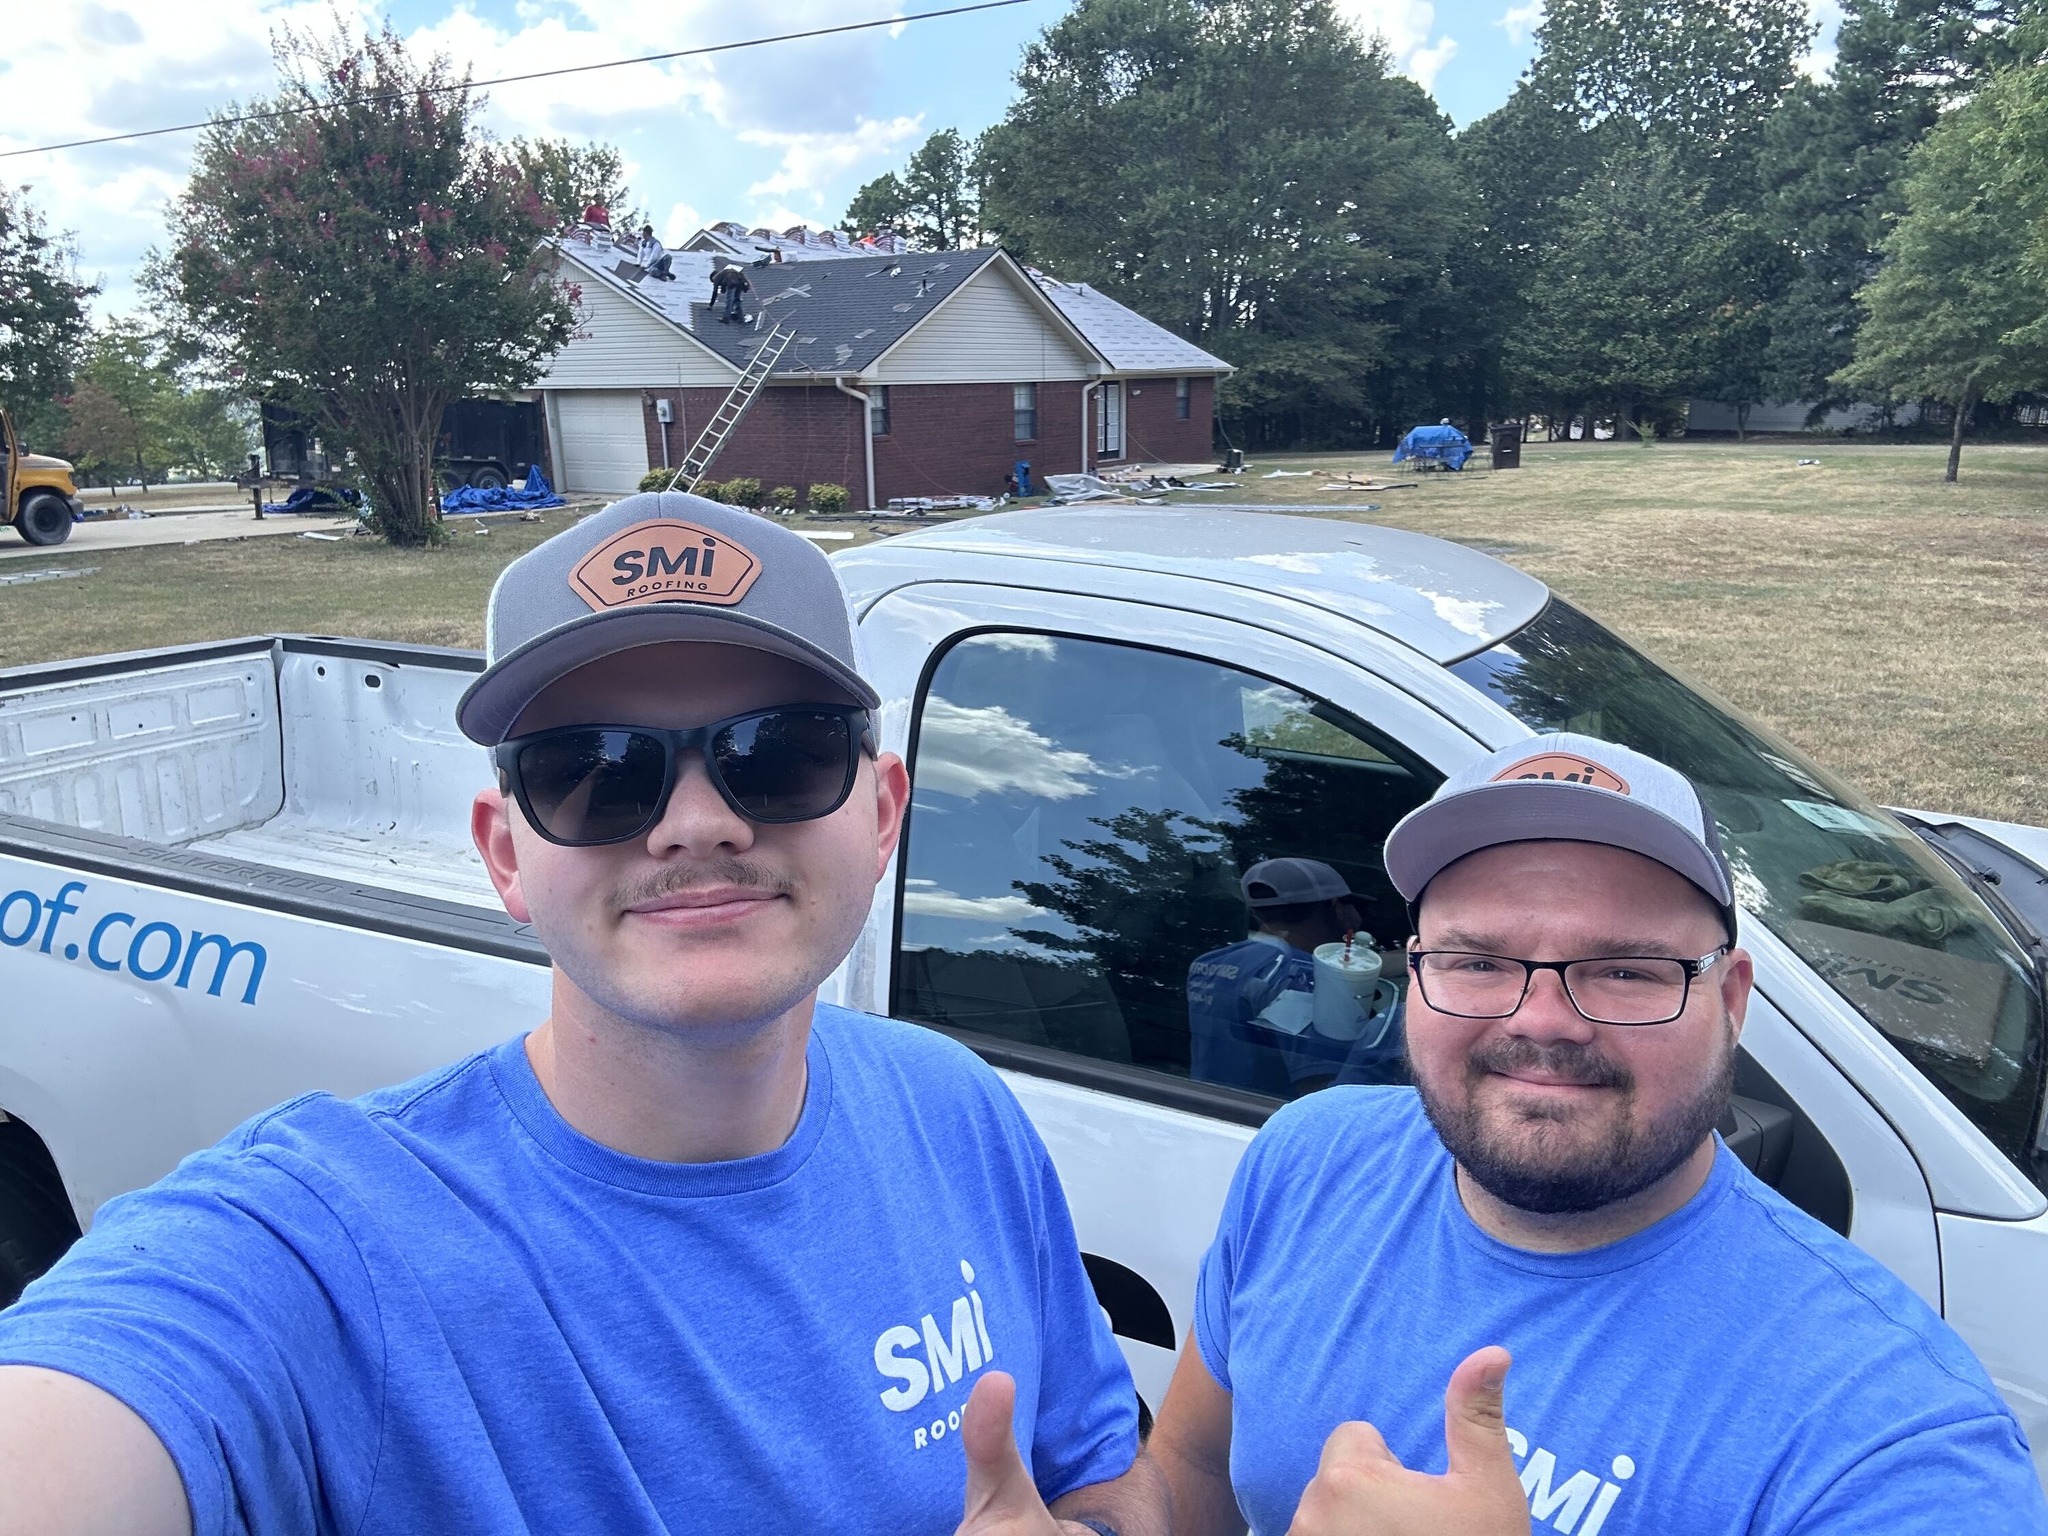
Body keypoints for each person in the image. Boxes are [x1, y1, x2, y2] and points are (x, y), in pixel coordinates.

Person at [0, 492, 1165, 1536]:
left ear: (881, 811)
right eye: (595, 770)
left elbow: (1109, 1477)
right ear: (506, 857)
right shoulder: (324, 1244)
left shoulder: (952, 1106)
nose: (695, 822)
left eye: (779, 752)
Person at [1148, 733, 2048, 1535]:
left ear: (1729, 1003)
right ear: (1414, 977)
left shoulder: (1882, 1438)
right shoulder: (1309, 1161)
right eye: (1479, 961)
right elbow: (1188, 1470)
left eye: (1625, 969)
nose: (1542, 1022)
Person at [1186, 859, 1401, 1098]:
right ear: (1335, 906)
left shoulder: (1209, 963)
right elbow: (1320, 1091)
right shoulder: (1303, 978)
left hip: (1205, 1105)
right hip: (1266, 1116)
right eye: (1354, 905)